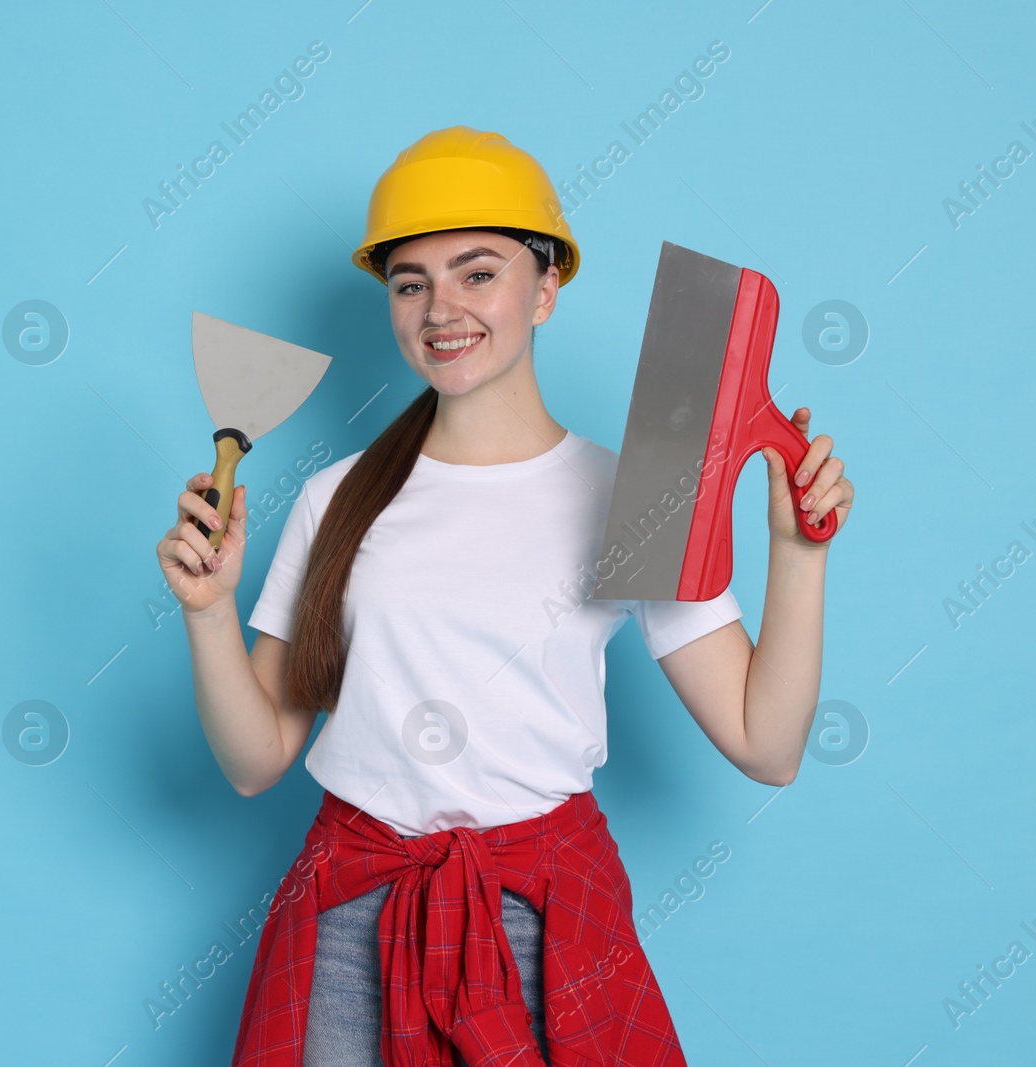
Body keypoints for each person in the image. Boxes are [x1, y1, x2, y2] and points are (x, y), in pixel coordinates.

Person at [155, 126, 854, 1066]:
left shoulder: (637, 497)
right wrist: (206, 613)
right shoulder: (335, 497)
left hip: (543, 918)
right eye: (411, 282)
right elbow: (255, 761)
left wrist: (795, 551)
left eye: (477, 273)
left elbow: (766, 745)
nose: (441, 306)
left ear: (547, 287)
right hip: (352, 911)